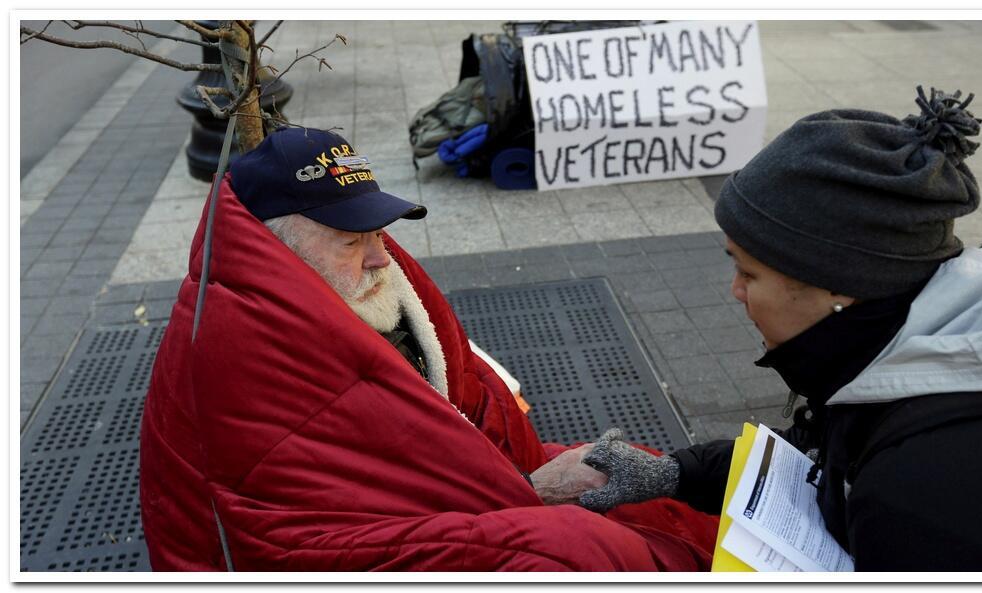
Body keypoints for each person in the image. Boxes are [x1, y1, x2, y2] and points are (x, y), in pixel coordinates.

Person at [138, 128, 718, 571]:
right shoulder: (239, 343)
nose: (379, 258)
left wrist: (532, 473)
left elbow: (459, 401)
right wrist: (531, 495)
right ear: (277, 248)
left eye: (376, 233)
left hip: (466, 490)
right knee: (575, 550)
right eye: (350, 241)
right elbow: (302, 518)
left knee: (637, 480)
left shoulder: (351, 284)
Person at [566, 87, 982, 571]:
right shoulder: (906, 339)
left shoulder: (921, 496)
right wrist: (677, 473)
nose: (735, 291)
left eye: (749, 273)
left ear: (839, 284)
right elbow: (827, 449)